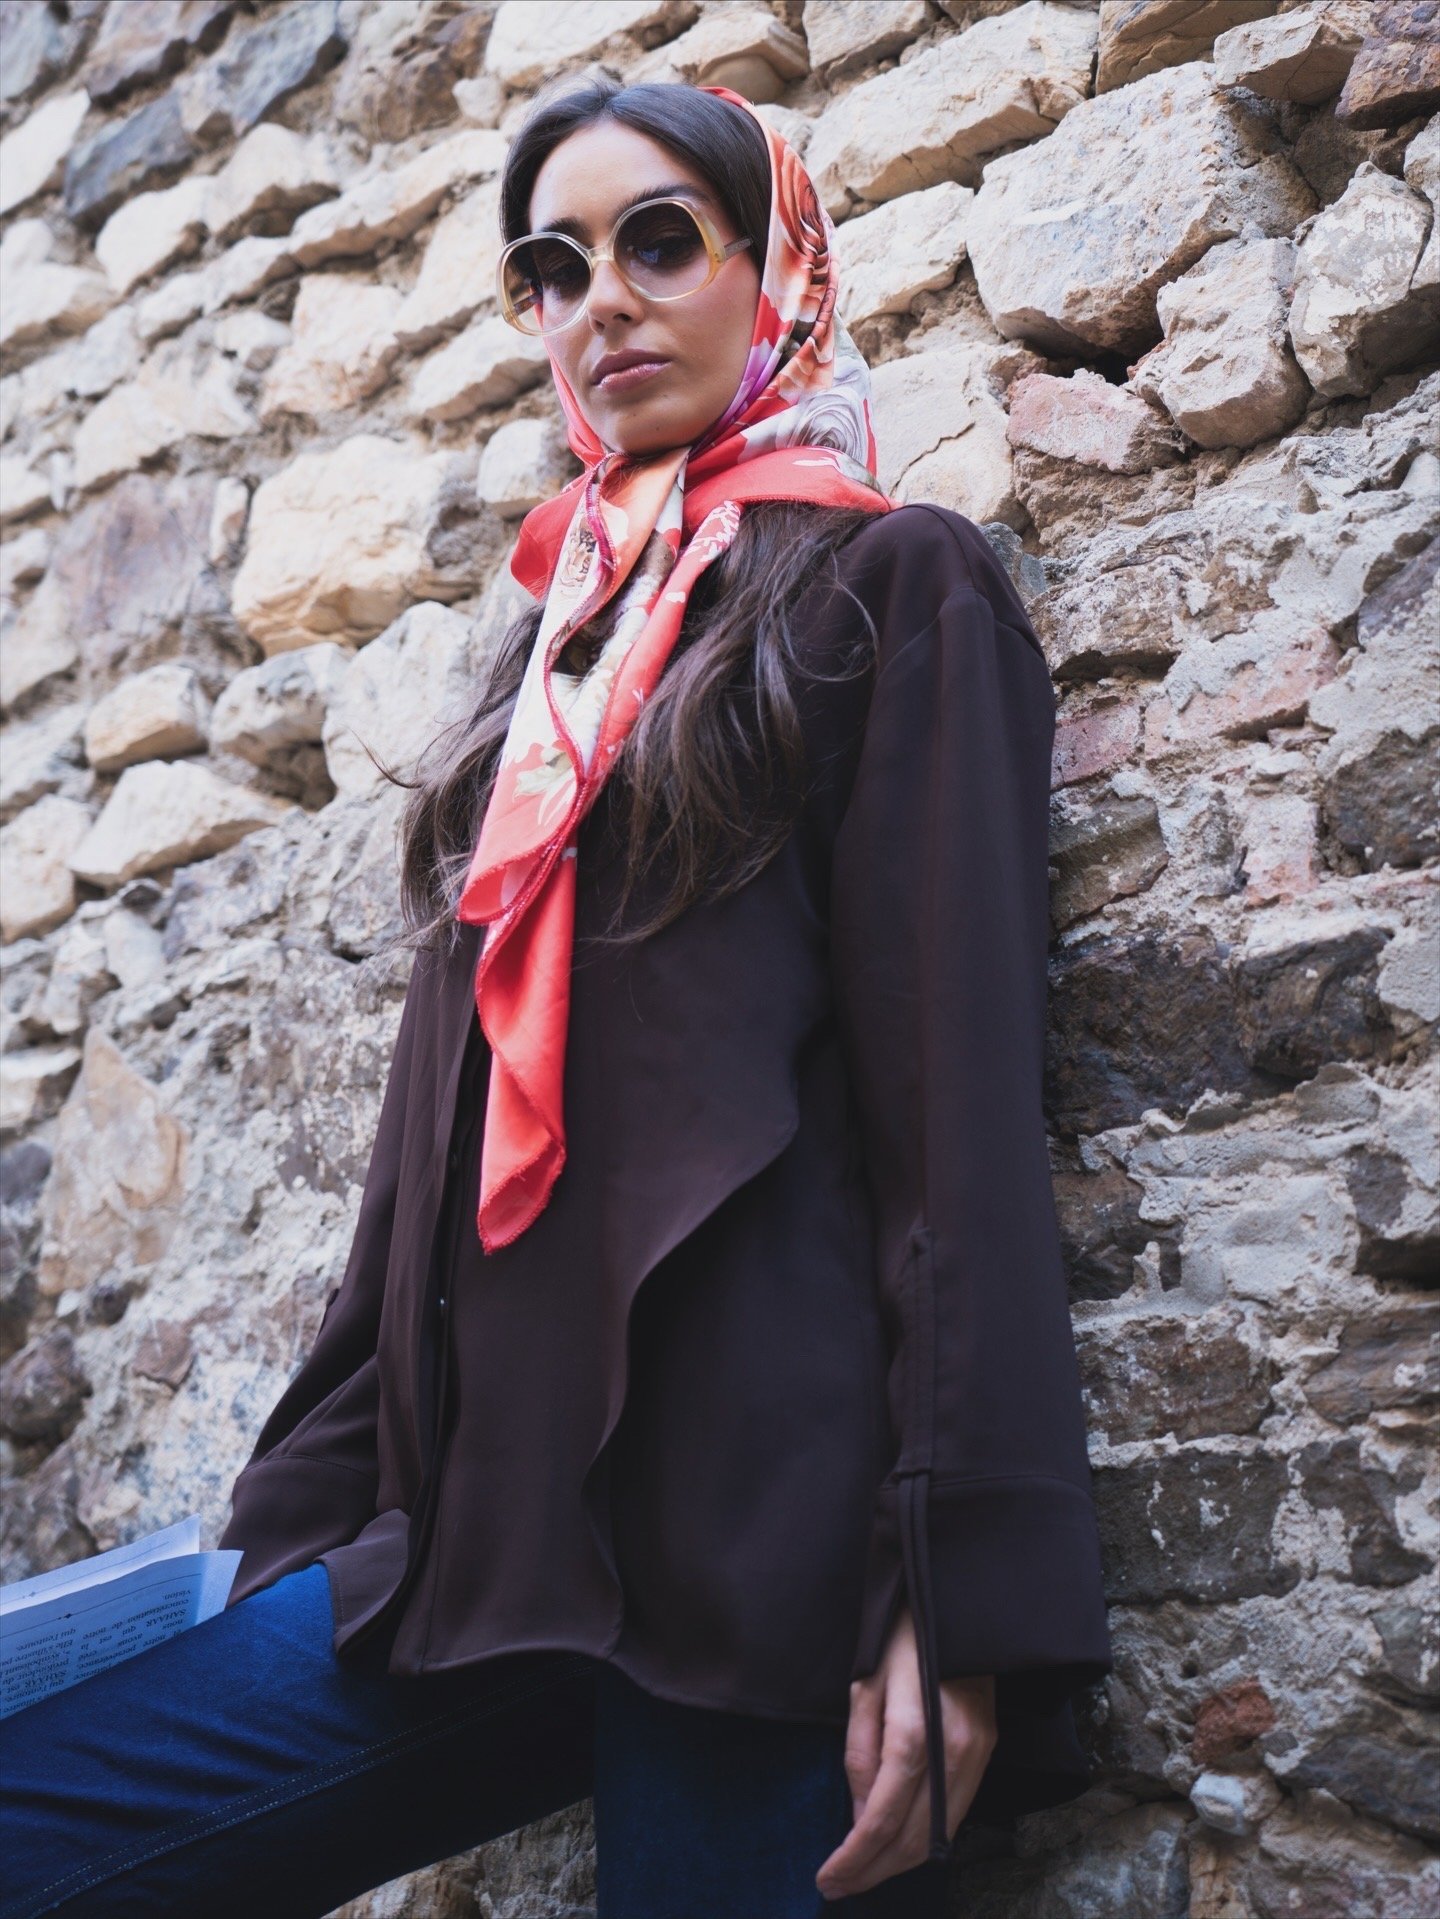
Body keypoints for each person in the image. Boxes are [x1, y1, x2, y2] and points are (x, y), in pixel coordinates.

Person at [0, 79, 1112, 1919]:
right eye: (554, 264)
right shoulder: (551, 665)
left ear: (775, 267)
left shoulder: (889, 586)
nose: (604, 300)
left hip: (761, 1574)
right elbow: (420, 1177)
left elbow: (958, 1128)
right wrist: (311, 1513)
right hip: (465, 1557)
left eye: (661, 239)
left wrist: (954, 1588)